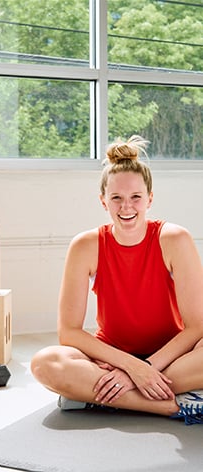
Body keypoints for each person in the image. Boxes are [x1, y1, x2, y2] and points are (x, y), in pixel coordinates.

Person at [31, 135, 203, 425]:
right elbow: (69, 332)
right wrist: (129, 367)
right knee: (45, 363)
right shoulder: (85, 245)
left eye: (136, 197)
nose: (127, 207)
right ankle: (171, 407)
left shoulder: (175, 238)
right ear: (103, 201)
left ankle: (101, 397)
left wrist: (145, 368)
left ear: (150, 198)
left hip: (171, 359)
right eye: (116, 198)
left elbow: (196, 326)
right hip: (111, 357)